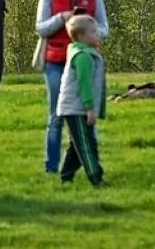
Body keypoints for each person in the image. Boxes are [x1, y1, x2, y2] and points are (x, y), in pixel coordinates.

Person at [34, 0, 107, 175]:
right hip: (56, 59)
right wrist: (62, 19)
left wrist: (87, 27)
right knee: (56, 115)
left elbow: (104, 28)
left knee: (88, 114)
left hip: (84, 60)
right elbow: (40, 27)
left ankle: (90, 165)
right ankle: (51, 167)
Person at [55, 14, 106, 187]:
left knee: (77, 144)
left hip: (77, 107)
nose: (97, 34)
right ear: (82, 37)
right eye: (93, 32)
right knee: (86, 144)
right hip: (76, 108)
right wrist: (90, 109)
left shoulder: (85, 53)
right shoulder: (83, 56)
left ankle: (66, 176)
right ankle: (95, 177)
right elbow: (85, 85)